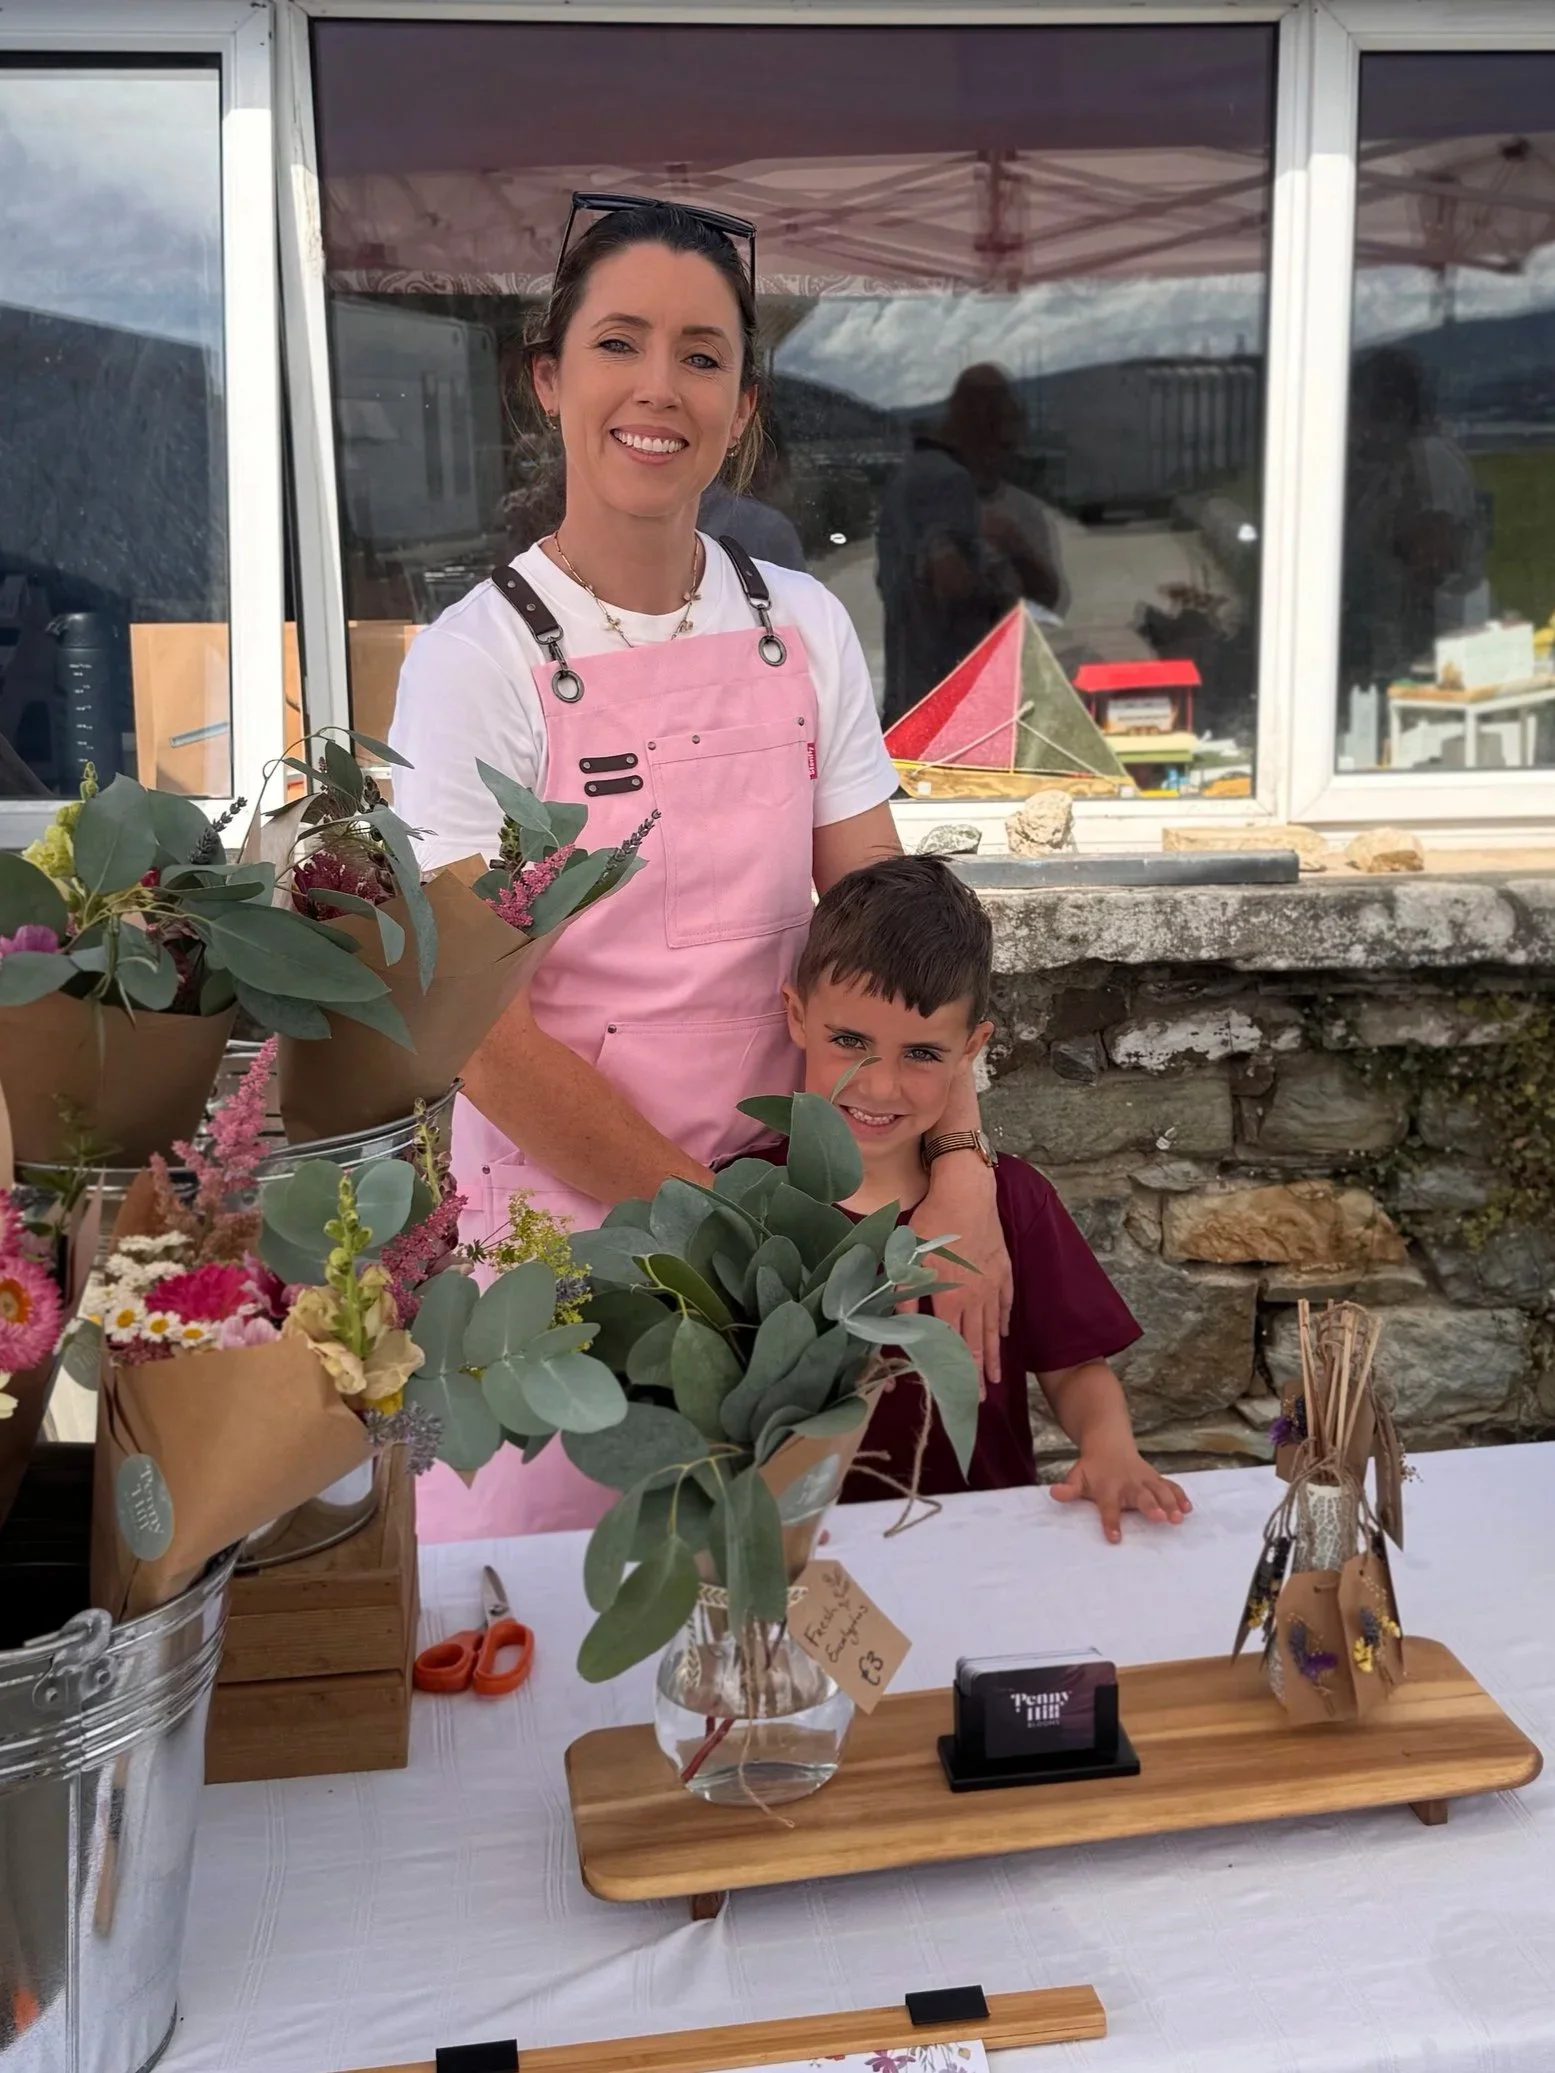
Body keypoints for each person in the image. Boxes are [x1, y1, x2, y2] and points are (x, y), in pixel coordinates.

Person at [389, 197, 1010, 1538]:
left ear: (741, 411)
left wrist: (960, 1160)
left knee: (763, 1595)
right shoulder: (473, 663)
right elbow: (478, 1033)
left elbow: (894, 946)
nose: (657, 389)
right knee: (540, 1612)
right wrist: (710, 1240)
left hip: (792, 1222)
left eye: (702, 355)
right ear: (547, 378)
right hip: (556, 1246)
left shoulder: (804, 627)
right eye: (618, 343)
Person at [781, 854, 1191, 1541]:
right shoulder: (745, 1202)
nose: (879, 1086)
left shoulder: (1014, 1203)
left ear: (970, 1048)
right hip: (809, 1554)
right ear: (795, 1016)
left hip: (989, 1547)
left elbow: (1073, 1369)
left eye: (921, 1053)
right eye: (849, 1041)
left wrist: (1110, 1447)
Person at [876, 363, 1067, 726]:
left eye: (999, 426)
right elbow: (938, 586)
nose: (992, 442)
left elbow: (1049, 601)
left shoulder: (1022, 511)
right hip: (927, 703)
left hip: (1001, 705)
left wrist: (1014, 545)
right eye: (977, 421)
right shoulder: (921, 493)